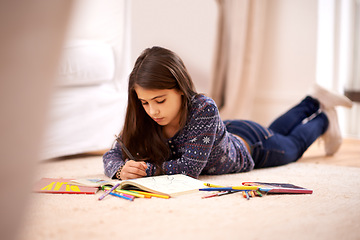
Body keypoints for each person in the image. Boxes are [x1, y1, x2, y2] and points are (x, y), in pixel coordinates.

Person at [103, 46, 353, 180]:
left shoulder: (203, 107)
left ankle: (323, 117)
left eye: (159, 100)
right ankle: (313, 99)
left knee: (294, 146)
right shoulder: (144, 114)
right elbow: (112, 155)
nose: (152, 111)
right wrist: (119, 170)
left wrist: (146, 169)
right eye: (145, 102)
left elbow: (190, 168)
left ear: (181, 89)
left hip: (253, 146)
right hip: (226, 133)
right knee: (276, 130)